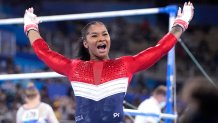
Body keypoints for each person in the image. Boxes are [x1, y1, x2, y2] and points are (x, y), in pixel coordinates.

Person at [23, 2, 194, 123]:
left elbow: (160, 48)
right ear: (85, 43)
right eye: (94, 35)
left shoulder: (125, 65)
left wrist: (181, 23)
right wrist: (31, 27)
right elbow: (43, 52)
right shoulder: (74, 67)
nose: (101, 38)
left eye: (105, 34)